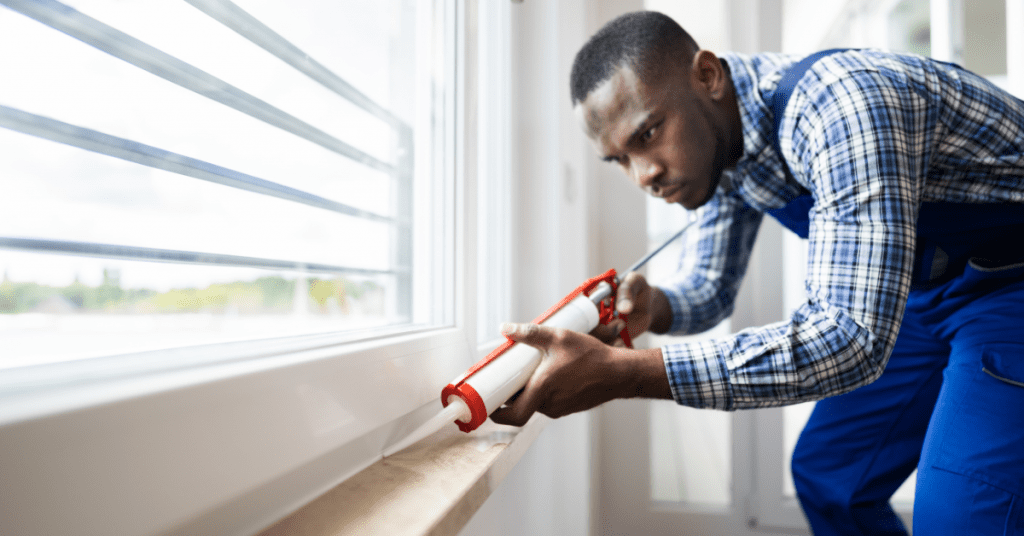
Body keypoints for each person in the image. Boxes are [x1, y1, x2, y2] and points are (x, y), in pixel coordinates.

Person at [488, 10, 1024, 536]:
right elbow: (710, 288)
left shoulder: (842, 106)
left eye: (648, 133)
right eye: (620, 160)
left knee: (964, 517)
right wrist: (655, 307)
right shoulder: (720, 143)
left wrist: (627, 373)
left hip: (1011, 282)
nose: (644, 174)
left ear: (707, 76)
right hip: (926, 293)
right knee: (830, 477)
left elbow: (849, 340)